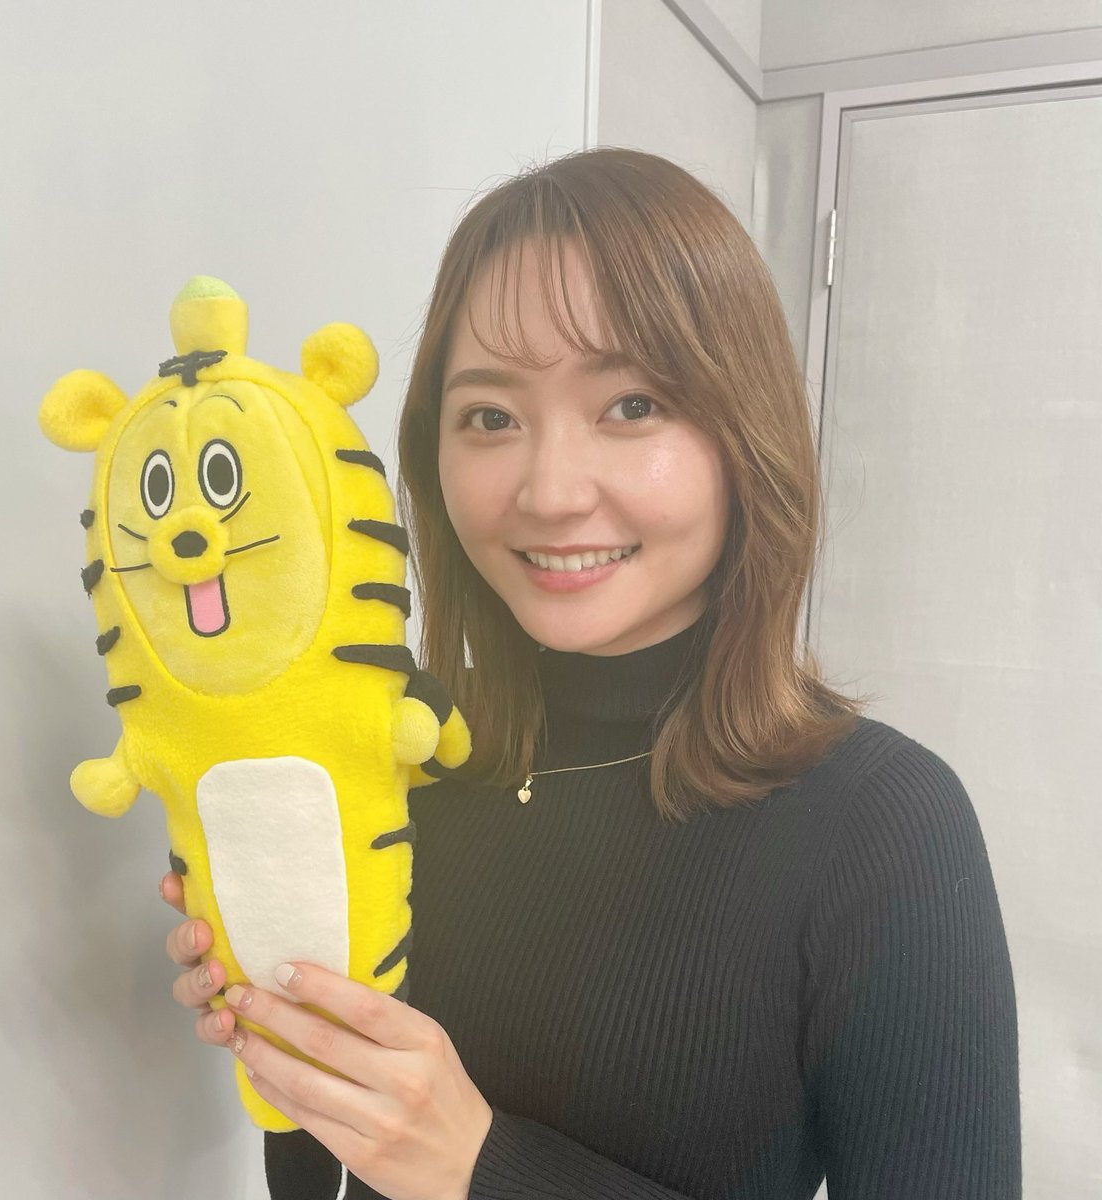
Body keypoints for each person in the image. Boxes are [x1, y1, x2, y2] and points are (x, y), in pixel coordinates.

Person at [159, 147, 1021, 1199]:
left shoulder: (884, 823)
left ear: (743, 431)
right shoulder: (396, 759)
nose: (551, 492)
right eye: (491, 417)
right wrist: (279, 1018)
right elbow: (333, 1155)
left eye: (632, 405)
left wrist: (482, 1168)